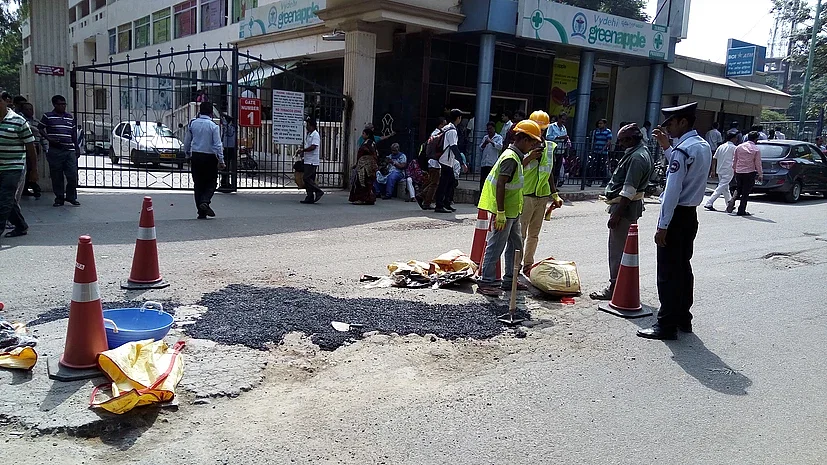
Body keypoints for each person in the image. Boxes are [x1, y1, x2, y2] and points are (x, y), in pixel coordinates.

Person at [637, 102, 712, 340]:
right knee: (683, 269)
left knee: (668, 273)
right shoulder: (700, 146)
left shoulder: (683, 150)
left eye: (670, 123)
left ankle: (665, 325)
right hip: (690, 215)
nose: (667, 128)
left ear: (683, 122)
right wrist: (667, 148)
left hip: (677, 215)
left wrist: (662, 226)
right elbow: (683, 170)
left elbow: (672, 191)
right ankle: (682, 318)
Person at [476, 120, 544, 297]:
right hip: (505, 212)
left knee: (516, 245)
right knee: (496, 245)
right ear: (521, 139)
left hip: (513, 211)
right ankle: (486, 282)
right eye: (531, 142)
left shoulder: (516, 156)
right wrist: (500, 212)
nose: (532, 146)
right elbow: (501, 185)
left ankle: (510, 279)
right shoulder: (510, 158)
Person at [590, 123, 654, 301]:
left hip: (625, 210)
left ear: (632, 139)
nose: (621, 144)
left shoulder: (637, 157)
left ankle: (615, 285)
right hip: (627, 208)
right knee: (621, 249)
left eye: (623, 140)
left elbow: (629, 190)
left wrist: (617, 215)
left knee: (617, 249)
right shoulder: (639, 152)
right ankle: (618, 285)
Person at [520, 111, 562, 275]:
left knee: (534, 235)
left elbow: (549, 171)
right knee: (520, 234)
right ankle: (515, 267)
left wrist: (554, 194)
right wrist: (530, 157)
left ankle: (527, 265)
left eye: (543, 129)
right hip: (526, 195)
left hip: (541, 196)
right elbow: (514, 168)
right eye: (538, 128)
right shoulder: (523, 145)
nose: (541, 132)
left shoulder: (549, 147)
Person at [0, 91, 37, 239]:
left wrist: (34, 170)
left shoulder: (18, 121)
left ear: (4, 101)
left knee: (4, 198)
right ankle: (21, 226)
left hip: (13, 166)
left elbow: (30, 147)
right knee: (8, 199)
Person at [183, 102, 225, 219]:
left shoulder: (193, 124)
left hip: (196, 156)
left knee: (198, 184)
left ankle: (201, 212)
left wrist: (187, 154)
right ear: (211, 113)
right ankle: (205, 201)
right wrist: (221, 160)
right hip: (210, 157)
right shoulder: (213, 126)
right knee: (211, 182)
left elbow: (187, 141)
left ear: (199, 111)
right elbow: (217, 144)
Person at [39, 95, 80, 207]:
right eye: (60, 104)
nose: (63, 106)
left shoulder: (69, 117)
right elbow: (40, 128)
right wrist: (48, 138)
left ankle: (71, 197)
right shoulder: (48, 116)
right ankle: (59, 198)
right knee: (57, 176)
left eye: (64, 104)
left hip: (69, 150)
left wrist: (77, 147)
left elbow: (73, 134)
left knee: (72, 176)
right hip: (55, 150)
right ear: (54, 105)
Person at [726, 131, 762, 216]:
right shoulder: (756, 149)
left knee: (738, 188)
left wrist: (734, 169)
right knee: (746, 192)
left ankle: (732, 200)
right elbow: (758, 163)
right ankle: (741, 210)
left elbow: (735, 160)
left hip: (739, 171)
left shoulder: (739, 147)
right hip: (749, 172)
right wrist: (760, 174)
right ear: (756, 139)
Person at [433, 109, 463, 214]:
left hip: (444, 159)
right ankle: (440, 205)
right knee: (445, 183)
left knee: (450, 182)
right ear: (458, 118)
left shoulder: (446, 128)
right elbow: (454, 147)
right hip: (446, 160)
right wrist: (462, 162)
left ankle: (446, 203)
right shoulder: (452, 131)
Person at [704, 130, 738, 211]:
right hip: (728, 170)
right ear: (733, 138)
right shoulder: (734, 148)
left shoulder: (721, 146)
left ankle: (729, 203)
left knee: (725, 188)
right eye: (736, 138)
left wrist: (713, 170)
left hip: (720, 169)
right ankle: (709, 202)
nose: (736, 139)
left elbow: (714, 158)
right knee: (721, 187)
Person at [418, 117, 447, 210]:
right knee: (434, 183)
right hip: (435, 162)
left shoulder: (434, 134)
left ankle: (424, 199)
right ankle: (424, 199)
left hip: (432, 161)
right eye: (444, 124)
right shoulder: (437, 134)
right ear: (441, 125)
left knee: (432, 182)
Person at [298, 120, 324, 204]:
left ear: (312, 126)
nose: (306, 127)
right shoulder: (309, 135)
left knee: (306, 178)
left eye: (307, 125)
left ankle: (318, 191)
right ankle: (309, 197)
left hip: (312, 161)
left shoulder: (315, 135)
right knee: (310, 179)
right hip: (307, 159)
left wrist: (303, 150)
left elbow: (313, 147)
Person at [19, 103, 42, 198]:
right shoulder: (21, 120)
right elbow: (35, 130)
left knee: (32, 167)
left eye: (31, 109)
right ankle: (31, 186)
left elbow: (40, 136)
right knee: (27, 168)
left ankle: (29, 186)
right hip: (26, 148)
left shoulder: (36, 121)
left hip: (35, 146)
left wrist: (45, 148)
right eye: (27, 109)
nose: (30, 111)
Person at [349, 133, 378, 205]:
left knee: (362, 181)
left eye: (364, 134)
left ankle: (362, 199)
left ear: (368, 135)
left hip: (365, 166)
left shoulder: (369, 143)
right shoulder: (370, 143)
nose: (362, 135)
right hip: (365, 164)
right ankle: (368, 199)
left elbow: (369, 152)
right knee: (366, 182)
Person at [479, 122, 504, 193]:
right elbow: (480, 148)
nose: (489, 131)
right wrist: (485, 143)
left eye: (490, 129)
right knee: (482, 181)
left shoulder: (498, 137)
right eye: (488, 129)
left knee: (491, 181)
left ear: (494, 128)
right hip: (484, 163)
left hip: (492, 163)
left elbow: (500, 147)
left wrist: (492, 142)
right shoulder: (485, 137)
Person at [589, 119, 613, 187]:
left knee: (604, 167)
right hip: (596, 151)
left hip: (604, 152)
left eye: (601, 123)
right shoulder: (596, 131)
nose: (600, 125)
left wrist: (603, 149)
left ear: (604, 124)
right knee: (593, 166)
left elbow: (608, 141)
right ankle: (590, 180)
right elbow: (593, 140)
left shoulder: (608, 131)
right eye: (599, 123)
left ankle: (604, 182)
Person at [219, 115, 237, 190]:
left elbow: (227, 130)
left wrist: (225, 122)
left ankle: (225, 182)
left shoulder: (229, 128)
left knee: (226, 166)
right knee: (226, 166)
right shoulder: (231, 127)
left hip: (227, 148)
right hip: (228, 148)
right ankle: (225, 182)